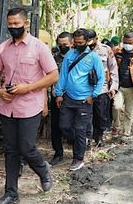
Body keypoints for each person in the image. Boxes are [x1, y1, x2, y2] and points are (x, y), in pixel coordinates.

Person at [0, 7, 58, 204]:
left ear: (25, 24)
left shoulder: (39, 47)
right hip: (7, 106)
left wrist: (28, 87)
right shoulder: (3, 48)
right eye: (9, 24)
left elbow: (53, 75)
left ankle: (43, 169)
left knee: (27, 147)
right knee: (10, 150)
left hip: (30, 106)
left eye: (16, 24)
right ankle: (11, 193)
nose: (12, 27)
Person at [55, 29, 105, 171]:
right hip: (68, 98)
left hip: (84, 100)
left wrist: (93, 95)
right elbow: (63, 74)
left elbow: (101, 78)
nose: (78, 45)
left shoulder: (93, 57)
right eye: (75, 43)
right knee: (64, 126)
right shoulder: (70, 54)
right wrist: (59, 93)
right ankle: (80, 141)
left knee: (80, 129)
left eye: (81, 43)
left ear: (87, 42)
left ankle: (78, 158)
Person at [88, 30, 118, 147]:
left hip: (102, 88)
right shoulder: (82, 50)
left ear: (96, 38)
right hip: (86, 89)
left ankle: (99, 136)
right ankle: (87, 138)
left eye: (92, 40)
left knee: (101, 115)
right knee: (87, 116)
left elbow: (113, 68)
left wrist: (113, 87)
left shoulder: (106, 50)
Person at [49, 31, 73, 166]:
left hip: (72, 96)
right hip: (56, 95)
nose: (62, 47)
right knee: (56, 125)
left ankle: (77, 148)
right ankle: (58, 152)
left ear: (71, 43)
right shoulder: (53, 57)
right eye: (60, 44)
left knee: (69, 125)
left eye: (65, 44)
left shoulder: (76, 56)